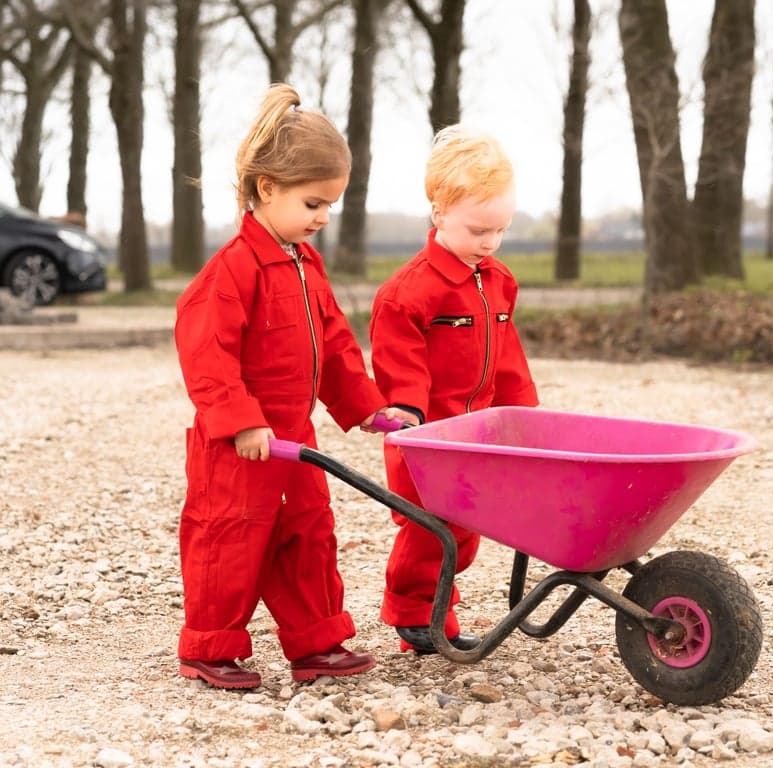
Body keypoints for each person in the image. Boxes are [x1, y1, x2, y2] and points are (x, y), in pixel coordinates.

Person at [173, 83, 388, 689]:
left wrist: (368, 408)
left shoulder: (306, 263)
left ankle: (316, 642)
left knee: (310, 531)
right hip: (237, 446)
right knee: (231, 540)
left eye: (330, 206)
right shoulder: (232, 272)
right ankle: (210, 647)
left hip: (294, 437)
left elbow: (336, 343)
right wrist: (241, 422)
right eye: (314, 203)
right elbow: (206, 356)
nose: (323, 218)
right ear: (268, 189)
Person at [369, 124, 539, 654]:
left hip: (479, 432)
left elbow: (507, 355)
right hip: (428, 437)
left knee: (466, 530)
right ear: (439, 212)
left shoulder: (498, 280)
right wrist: (407, 412)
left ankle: (435, 609)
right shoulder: (410, 291)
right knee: (431, 529)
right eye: (477, 230)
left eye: (500, 230)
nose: (489, 242)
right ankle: (413, 613)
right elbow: (401, 360)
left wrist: (522, 413)